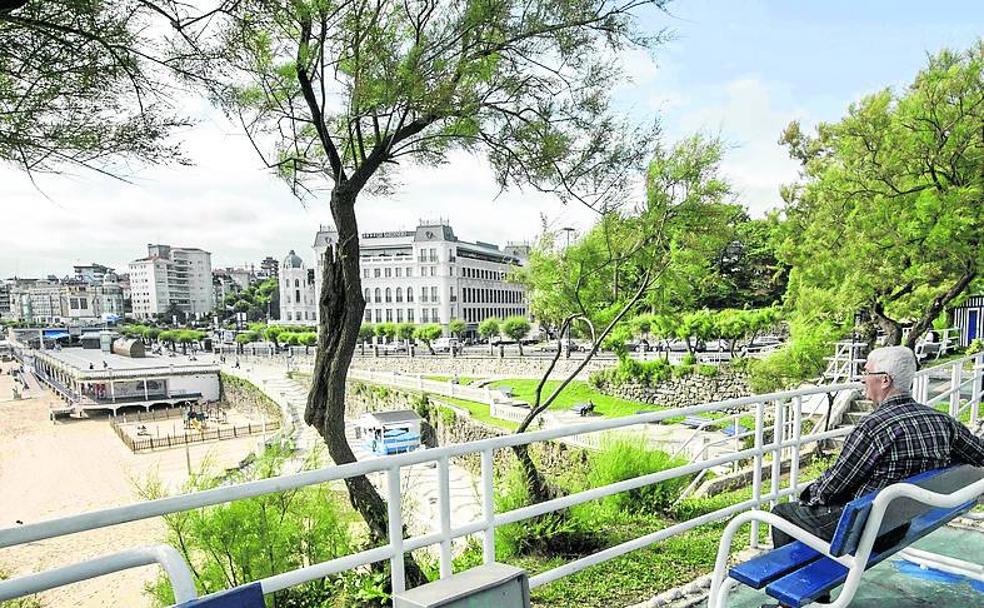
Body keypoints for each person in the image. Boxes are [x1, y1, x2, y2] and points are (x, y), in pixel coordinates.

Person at [764, 346, 984, 606]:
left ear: (884, 380)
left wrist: (809, 495)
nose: (862, 379)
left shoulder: (875, 426)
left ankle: (795, 599)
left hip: (867, 530)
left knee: (782, 513)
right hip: (899, 524)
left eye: (866, 372)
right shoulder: (941, 421)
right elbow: (980, 455)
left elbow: (834, 486)